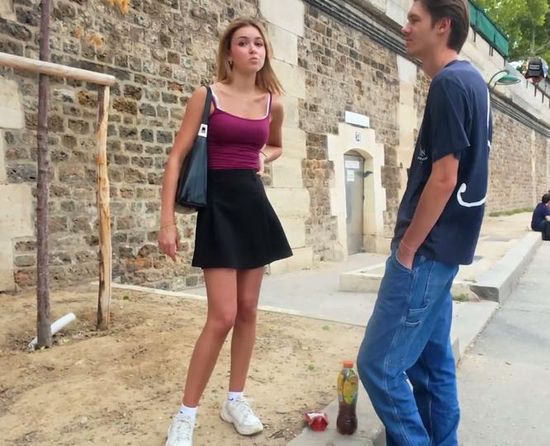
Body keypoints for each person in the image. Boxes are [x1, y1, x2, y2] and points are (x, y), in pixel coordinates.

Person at [356, 1, 492, 445]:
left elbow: (445, 177)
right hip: (445, 253)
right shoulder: (473, 81)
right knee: (432, 368)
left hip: (425, 253)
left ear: (442, 26)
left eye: (415, 19)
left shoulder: (449, 83)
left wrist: (408, 248)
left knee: (378, 367)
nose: (405, 26)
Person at [157, 18, 292, 446]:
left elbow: (276, 145)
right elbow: (176, 157)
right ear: (229, 53)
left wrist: (264, 158)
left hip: (253, 205)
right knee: (222, 317)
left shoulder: (273, 102)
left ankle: (235, 399)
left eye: (259, 43)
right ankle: (185, 415)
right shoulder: (207, 96)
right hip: (218, 209)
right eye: (243, 43)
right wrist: (166, 221)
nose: (253, 49)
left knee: (248, 309)